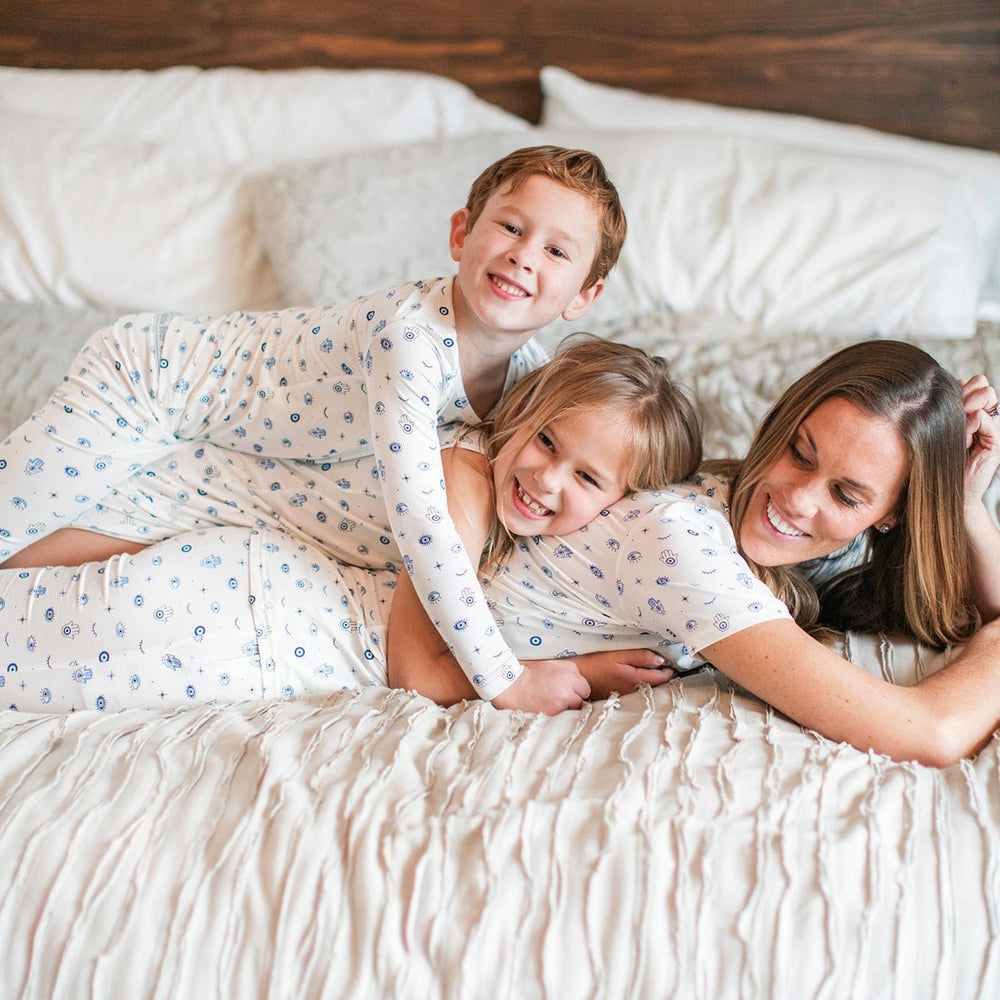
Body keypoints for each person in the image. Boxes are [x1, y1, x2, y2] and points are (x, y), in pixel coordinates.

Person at [0, 145, 627, 713]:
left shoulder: (530, 382)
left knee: (64, 537)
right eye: (511, 227)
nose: (524, 254)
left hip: (217, 449)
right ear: (461, 234)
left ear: (583, 297)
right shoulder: (408, 338)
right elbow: (422, 517)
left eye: (556, 250)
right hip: (148, 377)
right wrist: (505, 679)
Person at [0, 338, 702, 715]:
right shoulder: (462, 486)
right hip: (166, 493)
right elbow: (414, 672)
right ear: (521, 414)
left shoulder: (507, 497)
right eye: (547, 441)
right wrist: (569, 676)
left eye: (587, 479)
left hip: (205, 506)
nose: (547, 480)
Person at [388, 340, 1000, 766]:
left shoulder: (817, 546)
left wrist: (966, 503)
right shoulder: (682, 545)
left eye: (845, 494)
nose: (797, 500)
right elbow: (931, 733)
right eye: (799, 453)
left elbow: (980, 608)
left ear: (891, 516)